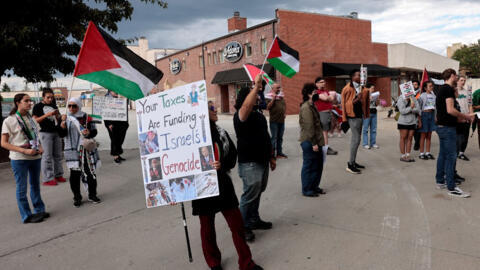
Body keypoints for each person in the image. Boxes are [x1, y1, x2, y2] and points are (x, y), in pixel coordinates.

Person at [192, 101, 263, 270]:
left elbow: (232, 154)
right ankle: (213, 262)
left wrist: (222, 164)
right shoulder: (190, 134)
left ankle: (246, 262)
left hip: (223, 185)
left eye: (214, 106)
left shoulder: (220, 132)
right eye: (211, 108)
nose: (215, 109)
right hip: (201, 187)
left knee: (237, 224)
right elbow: (180, 162)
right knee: (207, 228)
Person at [234, 74, 276, 242]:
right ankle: (242, 227)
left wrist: (271, 157)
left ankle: (253, 219)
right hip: (250, 163)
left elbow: (266, 137)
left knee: (258, 191)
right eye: (255, 95)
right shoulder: (241, 115)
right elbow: (245, 106)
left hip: (263, 160)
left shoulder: (258, 114)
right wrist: (255, 86)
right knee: (249, 194)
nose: (259, 97)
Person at [1, 93, 50, 223]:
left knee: (35, 185)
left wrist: (40, 146)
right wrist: (24, 150)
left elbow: (36, 136)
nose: (30, 103)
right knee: (22, 187)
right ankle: (26, 215)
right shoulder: (9, 120)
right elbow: (4, 143)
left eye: (31, 101)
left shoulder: (32, 119)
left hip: (35, 157)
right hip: (19, 159)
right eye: (26, 101)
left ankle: (39, 210)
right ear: (18, 102)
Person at [435, 69, 474, 198]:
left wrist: (455, 90)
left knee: (443, 155)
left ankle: (440, 181)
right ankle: (451, 187)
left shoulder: (443, 89)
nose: (458, 78)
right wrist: (466, 116)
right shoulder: (447, 89)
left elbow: (447, 109)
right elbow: (450, 110)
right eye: (456, 76)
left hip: (442, 127)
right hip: (447, 128)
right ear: (452, 75)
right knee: (451, 157)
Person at [60, 97, 102, 207]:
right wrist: (62, 126)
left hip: (86, 150)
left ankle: (92, 194)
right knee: (74, 175)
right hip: (72, 150)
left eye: (74, 106)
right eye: (69, 106)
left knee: (90, 173)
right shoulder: (65, 118)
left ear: (79, 106)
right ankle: (77, 197)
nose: (71, 108)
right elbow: (61, 134)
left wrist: (89, 132)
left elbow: (94, 131)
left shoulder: (87, 117)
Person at [32, 88, 66, 186]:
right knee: (47, 156)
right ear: (43, 97)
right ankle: (47, 178)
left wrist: (61, 117)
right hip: (45, 133)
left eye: (52, 97)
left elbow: (58, 118)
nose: (50, 99)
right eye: (48, 97)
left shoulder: (53, 105)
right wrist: (47, 114)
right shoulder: (38, 106)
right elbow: (35, 121)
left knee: (58, 155)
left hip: (56, 132)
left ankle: (58, 174)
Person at [299, 83, 326, 197]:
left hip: (317, 140)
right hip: (309, 141)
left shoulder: (312, 105)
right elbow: (309, 127)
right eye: (315, 92)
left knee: (317, 165)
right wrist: (314, 143)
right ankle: (307, 189)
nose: (317, 94)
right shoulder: (306, 107)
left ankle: (314, 186)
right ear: (309, 94)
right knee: (309, 166)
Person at [341, 69, 369, 174]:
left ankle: (353, 161)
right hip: (351, 116)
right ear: (352, 77)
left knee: (357, 139)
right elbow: (345, 104)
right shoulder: (347, 89)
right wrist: (344, 119)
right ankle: (350, 164)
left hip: (359, 116)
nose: (361, 76)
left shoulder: (363, 88)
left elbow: (366, 102)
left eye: (361, 75)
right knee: (355, 139)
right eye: (358, 75)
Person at [314, 77, 338, 155]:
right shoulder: (316, 92)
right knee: (324, 131)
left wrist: (329, 97)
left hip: (328, 113)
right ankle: (325, 148)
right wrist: (329, 97)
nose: (323, 83)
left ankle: (324, 147)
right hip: (322, 113)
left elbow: (332, 98)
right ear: (316, 83)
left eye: (324, 82)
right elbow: (326, 98)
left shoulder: (325, 91)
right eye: (321, 82)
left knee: (325, 131)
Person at [104, 91, 129, 164]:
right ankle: (115, 156)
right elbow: (105, 112)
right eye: (113, 90)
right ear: (109, 91)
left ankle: (118, 154)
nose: (116, 92)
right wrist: (109, 124)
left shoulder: (117, 98)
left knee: (120, 139)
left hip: (120, 123)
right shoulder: (107, 99)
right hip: (112, 123)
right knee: (114, 139)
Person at [266, 83, 288, 158]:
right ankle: (272, 154)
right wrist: (273, 98)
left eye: (279, 87)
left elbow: (284, 105)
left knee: (280, 137)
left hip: (282, 120)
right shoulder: (268, 96)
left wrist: (284, 112)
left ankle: (279, 153)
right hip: (274, 121)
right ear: (273, 89)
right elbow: (268, 107)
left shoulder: (281, 96)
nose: (279, 89)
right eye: (277, 88)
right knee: (274, 138)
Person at [397, 93, 421, 162]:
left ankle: (408, 154)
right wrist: (411, 108)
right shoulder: (401, 98)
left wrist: (411, 109)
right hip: (403, 122)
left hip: (413, 121)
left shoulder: (413, 98)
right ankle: (403, 155)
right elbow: (402, 111)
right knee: (403, 137)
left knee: (410, 138)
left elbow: (418, 109)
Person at [456, 76, 473, 161]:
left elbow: (470, 105)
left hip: (466, 118)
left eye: (464, 80)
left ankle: (461, 152)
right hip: (457, 118)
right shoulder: (453, 91)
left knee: (465, 137)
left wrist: (471, 115)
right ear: (457, 81)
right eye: (461, 80)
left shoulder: (468, 92)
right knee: (458, 136)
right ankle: (455, 152)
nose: (463, 82)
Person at [418, 81, 436, 160]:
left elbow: (435, 107)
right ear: (425, 88)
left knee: (429, 135)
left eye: (432, 86)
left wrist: (435, 116)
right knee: (423, 135)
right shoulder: (422, 96)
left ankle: (428, 152)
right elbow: (419, 108)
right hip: (424, 115)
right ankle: (422, 153)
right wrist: (419, 120)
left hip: (431, 115)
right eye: (430, 86)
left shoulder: (434, 95)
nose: (432, 87)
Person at [362, 83, 379, 149]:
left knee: (374, 129)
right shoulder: (364, 95)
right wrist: (368, 99)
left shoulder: (374, 95)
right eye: (372, 88)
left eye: (373, 88)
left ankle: (373, 143)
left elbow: (376, 105)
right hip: (367, 112)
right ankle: (365, 143)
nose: (373, 89)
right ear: (367, 89)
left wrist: (377, 100)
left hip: (374, 112)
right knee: (366, 129)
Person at [412, 80, 421, 151]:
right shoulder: (409, 93)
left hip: (419, 112)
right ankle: (417, 142)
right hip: (412, 112)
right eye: (413, 84)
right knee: (414, 129)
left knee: (418, 128)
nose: (414, 86)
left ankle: (417, 143)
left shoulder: (420, 93)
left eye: (416, 84)